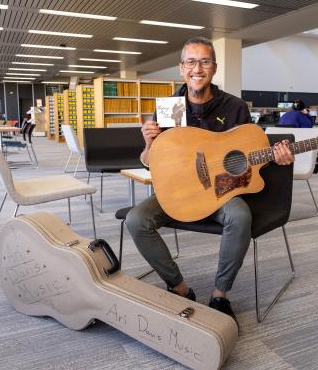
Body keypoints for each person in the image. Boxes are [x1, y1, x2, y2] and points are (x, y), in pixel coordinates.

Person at [125, 37, 294, 326]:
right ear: (181, 68)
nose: (197, 68)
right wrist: (148, 143)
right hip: (180, 192)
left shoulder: (234, 106)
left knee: (240, 215)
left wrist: (276, 158)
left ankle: (220, 295)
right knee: (136, 219)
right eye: (190, 62)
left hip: (220, 192)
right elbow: (149, 161)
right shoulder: (171, 107)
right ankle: (179, 288)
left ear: (214, 68)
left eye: (204, 61)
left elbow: (248, 156)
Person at [278, 99, 318, 174]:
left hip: (283, 142)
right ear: (303, 108)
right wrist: (306, 114)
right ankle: (317, 167)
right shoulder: (301, 114)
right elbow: (309, 125)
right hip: (296, 140)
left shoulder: (285, 114)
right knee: (316, 141)